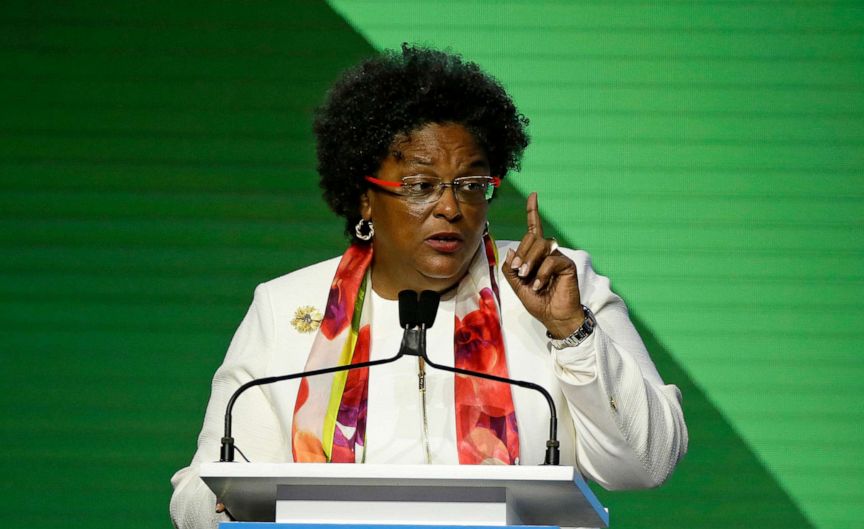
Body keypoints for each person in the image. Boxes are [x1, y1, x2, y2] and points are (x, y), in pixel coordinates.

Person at [170, 45, 687, 529]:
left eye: (470, 185)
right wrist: (222, 510)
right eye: (420, 186)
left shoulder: (555, 284)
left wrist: (572, 331)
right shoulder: (287, 308)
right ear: (365, 198)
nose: (450, 207)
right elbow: (204, 481)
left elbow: (647, 462)